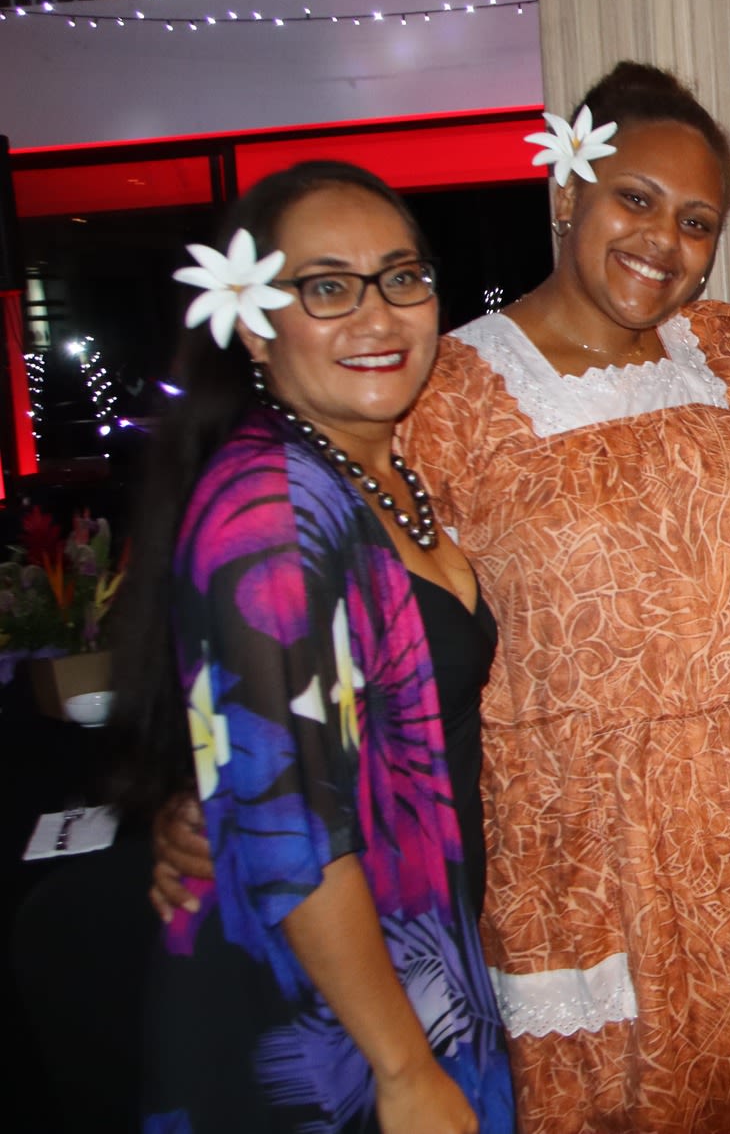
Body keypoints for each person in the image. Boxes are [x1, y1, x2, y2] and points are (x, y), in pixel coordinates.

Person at [152, 66, 730, 1132]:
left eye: (696, 219)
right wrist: (215, 788)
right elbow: (317, 633)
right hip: (578, 833)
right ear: (567, 190)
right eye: (633, 198)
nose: (662, 240)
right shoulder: (440, 390)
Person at [114, 162, 514, 1133]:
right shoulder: (272, 514)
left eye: (402, 277)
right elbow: (291, 834)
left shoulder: (376, 473)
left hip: (401, 964)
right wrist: (404, 1068)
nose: (376, 316)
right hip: (323, 1024)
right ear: (256, 321)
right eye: (327, 287)